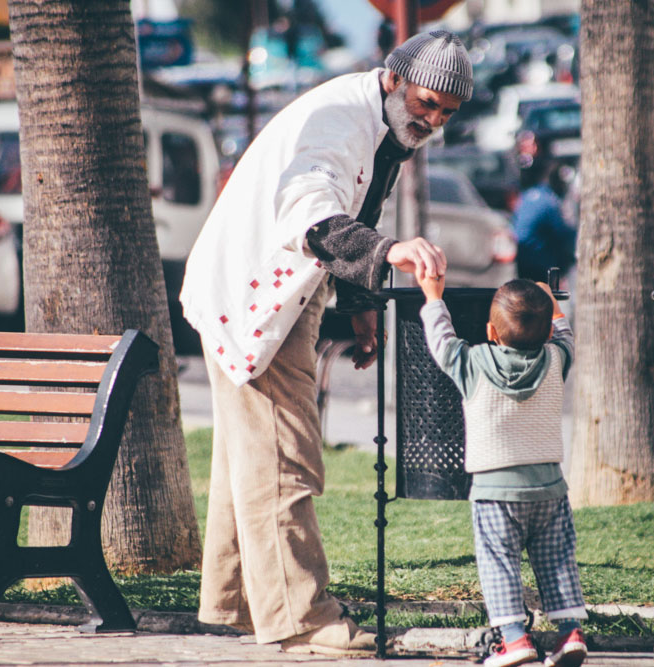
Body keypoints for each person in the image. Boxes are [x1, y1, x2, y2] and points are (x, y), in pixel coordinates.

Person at [178, 30, 473, 655]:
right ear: (393, 79)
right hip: (256, 294)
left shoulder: (381, 124)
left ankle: (234, 603)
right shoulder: (338, 120)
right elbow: (310, 211)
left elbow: (360, 209)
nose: (434, 119)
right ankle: (303, 618)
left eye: (447, 112)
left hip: (271, 288)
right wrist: (389, 253)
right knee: (285, 453)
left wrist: (362, 307)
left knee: (249, 458)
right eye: (427, 103)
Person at [418, 276, 588, 667]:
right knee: (557, 559)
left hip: (494, 491)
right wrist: (555, 306)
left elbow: (442, 341)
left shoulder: (474, 362)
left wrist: (433, 296)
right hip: (549, 488)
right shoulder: (555, 359)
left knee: (498, 562)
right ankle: (568, 634)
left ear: (492, 331)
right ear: (545, 331)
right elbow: (566, 337)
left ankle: (514, 640)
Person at [513, 158, 577, 284]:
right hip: (538, 262)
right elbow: (563, 233)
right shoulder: (549, 201)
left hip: (520, 258)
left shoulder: (526, 195)